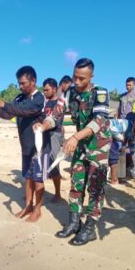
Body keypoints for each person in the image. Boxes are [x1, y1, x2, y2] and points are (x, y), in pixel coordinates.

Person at [41, 58, 111, 245]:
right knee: (76, 184)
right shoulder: (69, 92)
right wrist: (43, 126)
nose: (77, 82)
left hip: (99, 146)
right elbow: (56, 115)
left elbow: (99, 121)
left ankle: (89, 228)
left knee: (95, 188)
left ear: (91, 76)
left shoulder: (100, 93)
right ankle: (74, 222)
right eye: (75, 77)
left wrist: (74, 137)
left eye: (82, 78)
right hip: (80, 145)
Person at [0, 66, 47, 222]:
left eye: (23, 83)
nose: (20, 86)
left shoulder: (39, 98)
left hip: (40, 147)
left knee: (38, 181)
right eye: (19, 83)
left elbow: (25, 111)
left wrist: (2, 103)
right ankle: (28, 206)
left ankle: (37, 210)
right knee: (27, 177)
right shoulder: (19, 98)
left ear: (33, 81)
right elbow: (9, 114)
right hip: (25, 146)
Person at [112, 77, 135, 182]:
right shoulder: (122, 96)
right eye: (127, 85)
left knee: (131, 145)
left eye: (130, 85)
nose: (128, 86)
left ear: (134, 85)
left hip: (131, 124)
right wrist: (117, 119)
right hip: (121, 125)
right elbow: (118, 110)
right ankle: (121, 172)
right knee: (120, 145)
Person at [42, 78, 64, 202]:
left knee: (54, 163)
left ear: (54, 89)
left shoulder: (59, 103)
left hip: (54, 135)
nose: (45, 92)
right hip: (45, 134)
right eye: (43, 90)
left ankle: (57, 194)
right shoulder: (46, 102)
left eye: (47, 90)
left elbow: (55, 120)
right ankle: (42, 189)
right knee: (43, 162)